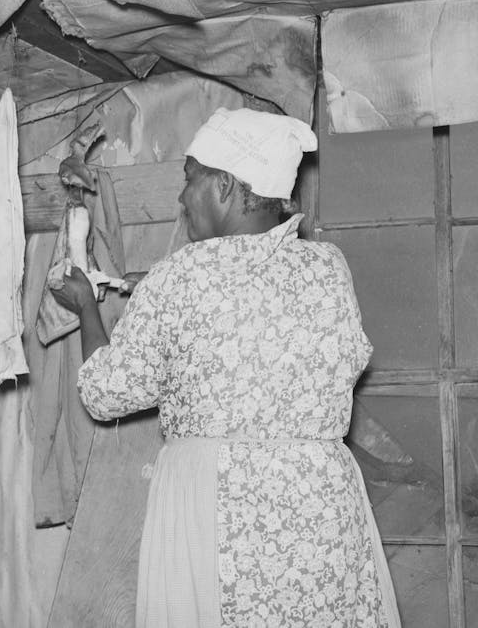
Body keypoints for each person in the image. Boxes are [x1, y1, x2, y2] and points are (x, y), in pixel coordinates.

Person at [51, 107, 400, 628]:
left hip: (219, 510)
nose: (181, 197)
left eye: (189, 178)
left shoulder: (185, 273)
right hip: (320, 509)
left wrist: (85, 306)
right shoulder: (327, 266)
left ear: (225, 185)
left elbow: (105, 393)